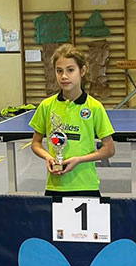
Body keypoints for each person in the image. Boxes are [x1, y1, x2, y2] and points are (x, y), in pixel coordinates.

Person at [30, 44, 115, 197]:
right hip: (55, 186)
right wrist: (48, 157)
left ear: (82, 71)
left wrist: (79, 160)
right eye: (59, 71)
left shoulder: (95, 107)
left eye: (70, 70)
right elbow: (35, 143)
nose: (64, 76)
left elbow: (109, 149)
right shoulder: (46, 106)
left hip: (86, 185)